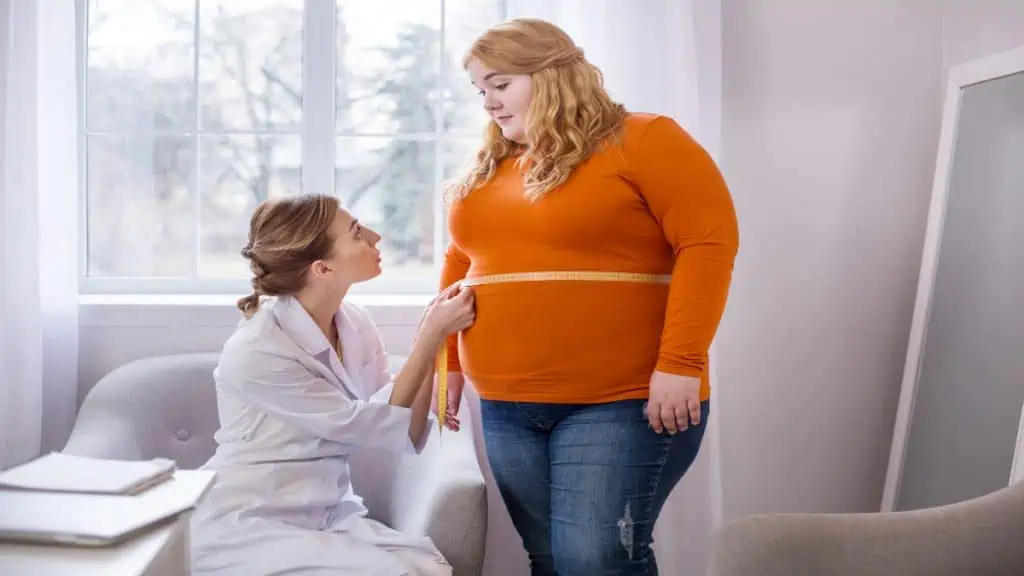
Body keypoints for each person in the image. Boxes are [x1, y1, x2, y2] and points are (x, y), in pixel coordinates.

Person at [437, 18, 740, 575]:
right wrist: (450, 360)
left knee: (595, 561)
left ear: (551, 74)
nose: (489, 104)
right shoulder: (491, 167)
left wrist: (681, 361)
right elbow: (463, 263)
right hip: (507, 404)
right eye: (481, 90)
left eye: (500, 85)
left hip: (622, 399)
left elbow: (708, 244)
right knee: (550, 559)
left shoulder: (646, 139)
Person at [189, 193, 475, 576]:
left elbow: (401, 428)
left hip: (328, 510)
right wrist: (428, 336)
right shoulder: (259, 348)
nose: (376, 237)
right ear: (322, 268)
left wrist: (434, 340)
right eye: (357, 233)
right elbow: (370, 426)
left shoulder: (354, 321)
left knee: (431, 568)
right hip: (252, 518)